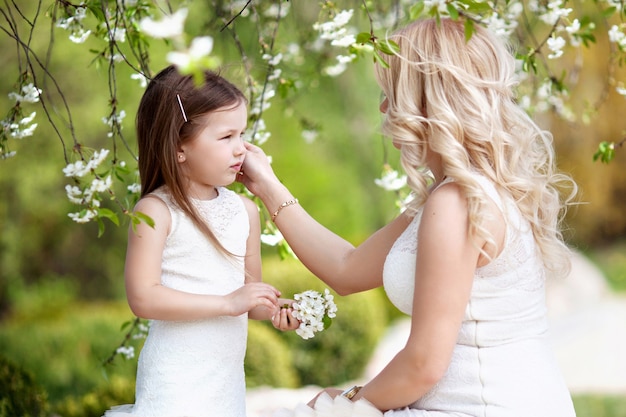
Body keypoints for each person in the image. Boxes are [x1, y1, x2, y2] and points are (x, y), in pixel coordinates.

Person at [239, 17, 578, 417]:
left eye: (391, 94)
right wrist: (267, 185)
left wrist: (341, 405)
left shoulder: (456, 203)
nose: (383, 107)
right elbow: (346, 269)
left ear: (427, 101)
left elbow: (424, 364)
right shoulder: (456, 194)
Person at [102, 65, 299, 417]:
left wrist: (276, 308)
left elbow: (248, 300)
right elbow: (143, 298)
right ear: (179, 146)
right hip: (174, 380)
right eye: (226, 138)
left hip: (224, 384)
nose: (241, 150)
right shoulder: (156, 211)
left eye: (242, 134)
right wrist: (227, 303)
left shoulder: (245, 211)